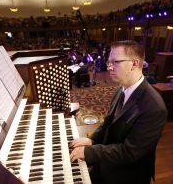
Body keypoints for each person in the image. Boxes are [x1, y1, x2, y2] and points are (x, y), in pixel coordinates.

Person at [69, 40, 167, 184]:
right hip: (107, 161)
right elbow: (108, 122)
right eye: (109, 62)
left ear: (134, 64)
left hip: (128, 174)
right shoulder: (121, 89)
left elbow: (129, 152)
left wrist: (88, 152)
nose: (109, 67)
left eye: (115, 62)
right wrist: (92, 139)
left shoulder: (154, 108)